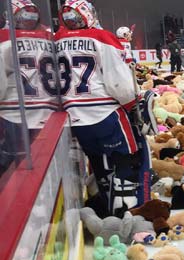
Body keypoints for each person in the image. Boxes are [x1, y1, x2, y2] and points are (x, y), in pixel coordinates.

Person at [56, 0, 151, 215]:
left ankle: (105, 204)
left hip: (74, 117)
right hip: (105, 112)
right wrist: (133, 106)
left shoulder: (55, 40)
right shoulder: (102, 38)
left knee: (100, 163)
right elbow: (119, 83)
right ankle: (126, 215)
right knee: (129, 159)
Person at [1, 0, 58, 173]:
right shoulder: (50, 37)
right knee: (47, 164)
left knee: (17, 170)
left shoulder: (4, 39)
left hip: (15, 115)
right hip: (48, 111)